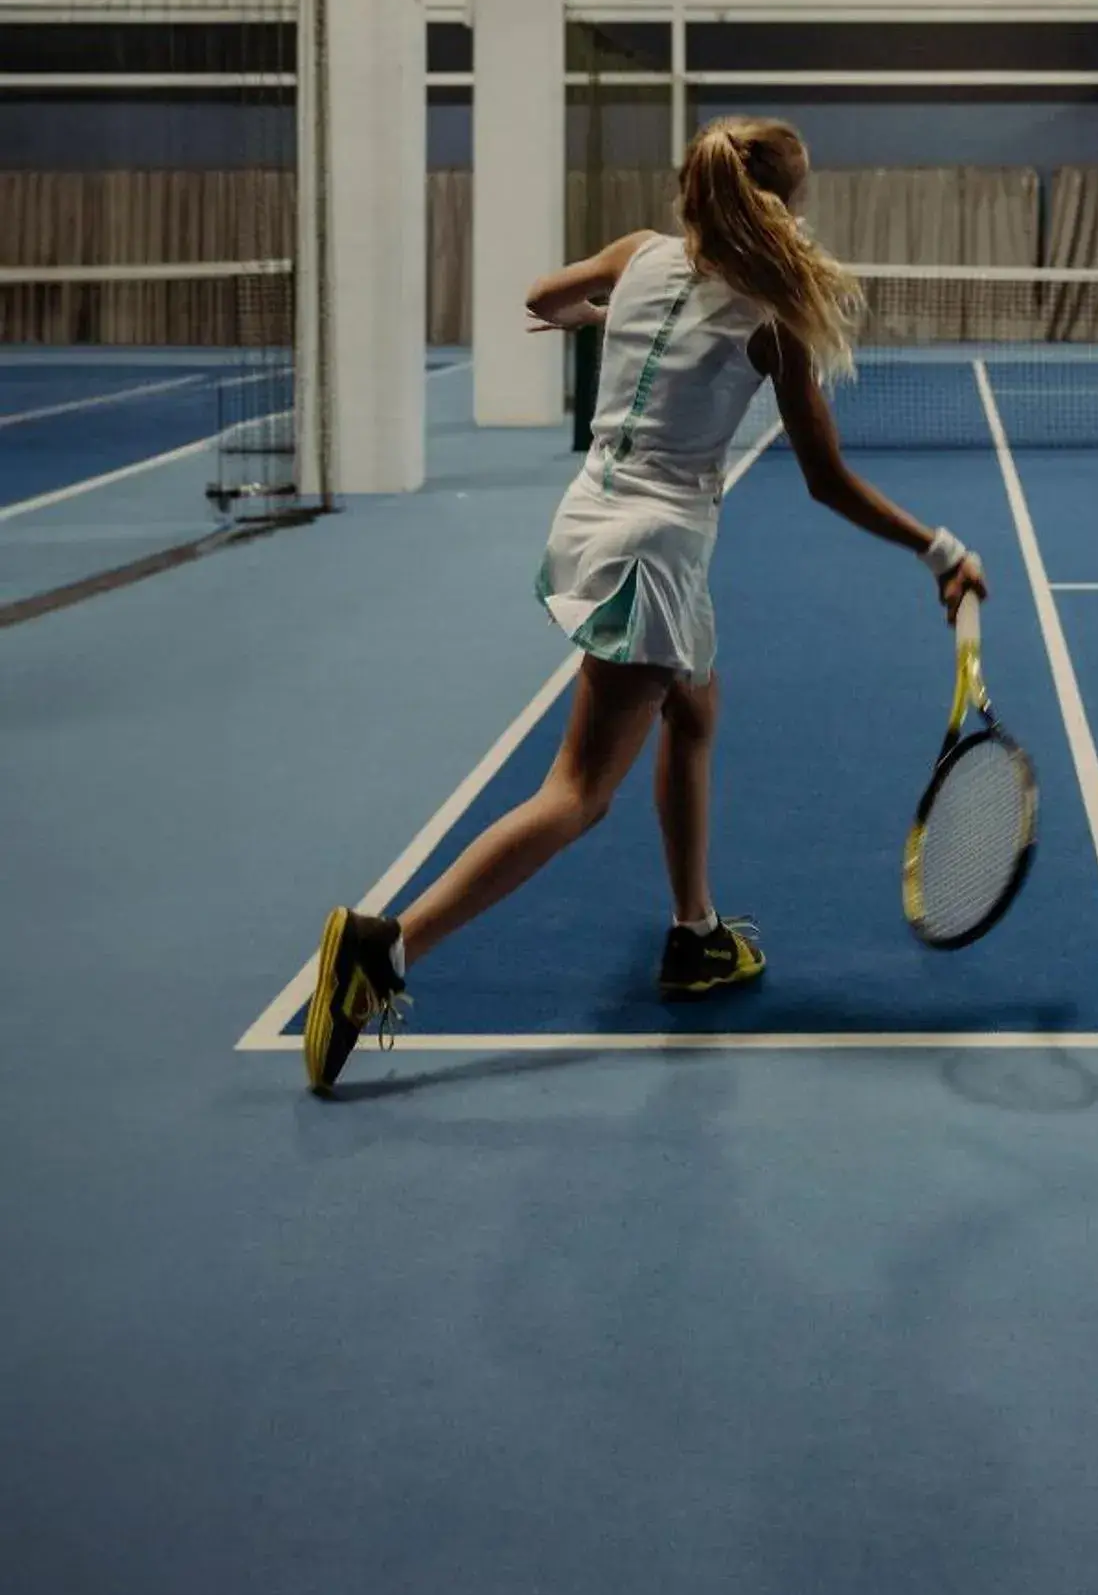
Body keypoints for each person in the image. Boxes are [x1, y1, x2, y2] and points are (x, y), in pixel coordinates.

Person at [302, 116, 985, 1094]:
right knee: (576, 792)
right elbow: (826, 481)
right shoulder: (768, 315)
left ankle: (695, 933)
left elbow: (543, 295)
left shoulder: (640, 254)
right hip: (653, 549)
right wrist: (941, 549)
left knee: (695, 707)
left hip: (593, 514)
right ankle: (387, 948)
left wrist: (596, 315)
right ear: (786, 207)